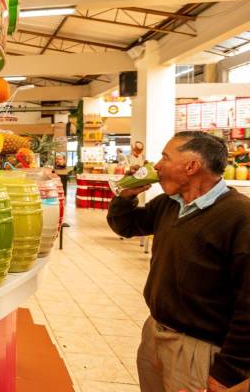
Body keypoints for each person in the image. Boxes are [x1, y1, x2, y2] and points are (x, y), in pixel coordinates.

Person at [106, 131, 250, 392]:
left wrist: (229, 371)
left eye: (165, 157)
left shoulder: (240, 217)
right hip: (156, 334)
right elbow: (125, 226)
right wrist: (126, 195)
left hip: (197, 349)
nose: (157, 165)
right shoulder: (169, 204)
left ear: (191, 166)